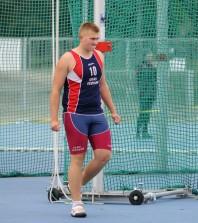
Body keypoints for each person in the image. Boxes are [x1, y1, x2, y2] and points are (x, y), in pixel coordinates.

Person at [50, 22, 121, 218]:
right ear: (81, 38)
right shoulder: (68, 59)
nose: (96, 42)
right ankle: (76, 203)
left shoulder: (99, 56)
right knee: (77, 159)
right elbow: (56, 90)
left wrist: (113, 111)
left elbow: (103, 85)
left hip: (97, 115)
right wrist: (54, 118)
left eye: (97, 39)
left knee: (104, 156)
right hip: (75, 116)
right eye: (92, 39)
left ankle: (75, 185)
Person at [136, 51, 157, 139]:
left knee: (147, 114)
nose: (151, 58)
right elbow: (145, 78)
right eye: (149, 56)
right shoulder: (143, 67)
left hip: (150, 94)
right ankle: (138, 132)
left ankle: (145, 132)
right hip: (144, 94)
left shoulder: (151, 67)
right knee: (143, 113)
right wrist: (154, 67)